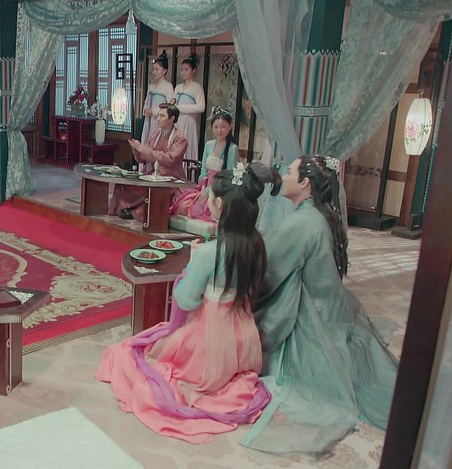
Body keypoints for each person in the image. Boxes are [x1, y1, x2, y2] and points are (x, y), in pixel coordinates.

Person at [97, 163, 273, 444]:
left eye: (210, 197)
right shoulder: (257, 245)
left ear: (219, 206)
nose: (207, 200)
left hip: (210, 340)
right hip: (244, 339)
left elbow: (186, 299)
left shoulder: (210, 253)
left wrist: (190, 268)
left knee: (133, 356)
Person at [241, 155, 399, 457]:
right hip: (332, 308)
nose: (284, 175)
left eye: (290, 171)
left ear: (305, 183)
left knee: (249, 327)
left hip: (313, 318)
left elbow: (268, 274)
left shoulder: (303, 223)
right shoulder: (319, 215)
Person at [109, 101, 187, 221]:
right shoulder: (155, 135)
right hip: (150, 175)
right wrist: (137, 150)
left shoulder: (180, 138)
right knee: (123, 184)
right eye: (158, 115)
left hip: (170, 179)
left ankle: (135, 211)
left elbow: (170, 159)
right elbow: (142, 159)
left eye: (162, 116)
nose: (158, 118)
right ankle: (124, 208)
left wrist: (146, 151)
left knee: (155, 193)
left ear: (172, 119)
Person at [171, 106, 240, 222]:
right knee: (182, 206)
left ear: (230, 127)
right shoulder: (208, 145)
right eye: (216, 127)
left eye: (223, 127)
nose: (219, 130)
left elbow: (230, 175)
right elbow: (203, 170)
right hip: (205, 188)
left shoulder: (232, 149)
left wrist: (212, 191)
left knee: (202, 212)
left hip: (220, 191)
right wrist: (203, 188)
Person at [140, 51, 175, 170]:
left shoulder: (168, 87)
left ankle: (155, 169)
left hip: (159, 120)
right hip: (148, 120)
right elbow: (146, 102)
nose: (154, 72)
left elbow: (170, 106)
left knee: (156, 144)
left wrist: (155, 111)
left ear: (164, 71)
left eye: (157, 69)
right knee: (146, 142)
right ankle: (144, 168)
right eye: (153, 69)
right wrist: (145, 109)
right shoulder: (151, 86)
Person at [173, 53, 206, 166]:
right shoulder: (178, 87)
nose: (183, 72)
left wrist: (181, 108)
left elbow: (201, 107)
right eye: (182, 70)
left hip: (189, 121)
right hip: (177, 121)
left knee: (187, 147)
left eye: (186, 69)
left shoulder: (197, 87)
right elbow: (172, 103)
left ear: (194, 71)